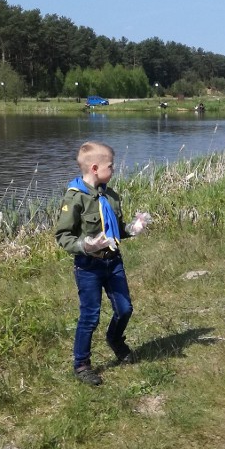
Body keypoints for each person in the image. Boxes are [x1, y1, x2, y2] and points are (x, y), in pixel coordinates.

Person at [55, 141, 152, 386]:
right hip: (89, 266)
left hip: (113, 261)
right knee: (90, 316)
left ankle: (115, 339)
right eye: (112, 165)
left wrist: (133, 228)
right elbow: (63, 236)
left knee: (125, 308)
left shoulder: (110, 196)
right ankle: (82, 364)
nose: (115, 169)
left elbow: (116, 230)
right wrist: (87, 245)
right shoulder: (75, 198)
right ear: (96, 168)